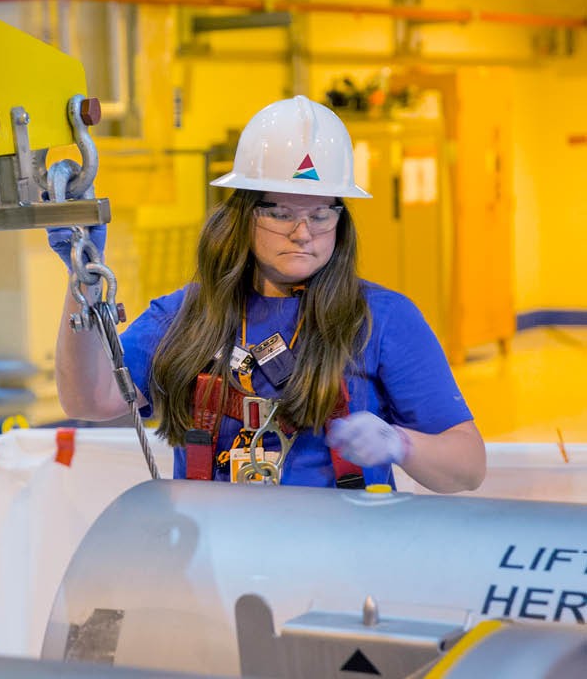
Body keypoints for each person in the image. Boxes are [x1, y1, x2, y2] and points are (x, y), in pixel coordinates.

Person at [51, 95, 485, 493]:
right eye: (280, 212)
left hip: (343, 559)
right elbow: (90, 400)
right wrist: (81, 278)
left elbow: (468, 467)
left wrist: (400, 444)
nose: (303, 233)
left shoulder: (381, 320)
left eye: (320, 214)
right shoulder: (185, 315)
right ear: (242, 215)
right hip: (221, 555)